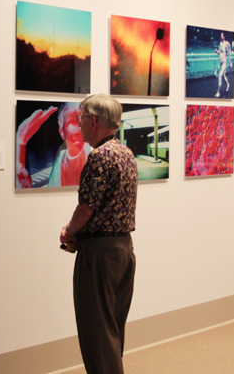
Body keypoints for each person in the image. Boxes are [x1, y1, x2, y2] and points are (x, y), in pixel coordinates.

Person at [60, 94, 138, 374]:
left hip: (99, 255)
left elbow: (87, 207)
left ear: (93, 121)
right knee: (113, 330)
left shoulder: (99, 157)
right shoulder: (126, 153)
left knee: (97, 333)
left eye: (80, 119)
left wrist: (68, 230)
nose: (79, 125)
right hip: (124, 250)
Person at [16, 102, 90, 188]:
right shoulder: (61, 160)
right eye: (72, 122)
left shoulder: (93, 153)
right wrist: (20, 140)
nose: (78, 128)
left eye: (81, 122)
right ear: (61, 132)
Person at [214, 32, 232, 97]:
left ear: (224, 37)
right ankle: (228, 84)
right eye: (220, 36)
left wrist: (230, 62)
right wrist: (216, 51)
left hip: (224, 63)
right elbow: (220, 52)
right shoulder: (220, 43)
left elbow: (229, 54)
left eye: (222, 36)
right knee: (224, 76)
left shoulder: (226, 43)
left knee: (220, 76)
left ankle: (218, 92)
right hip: (220, 62)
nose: (221, 37)